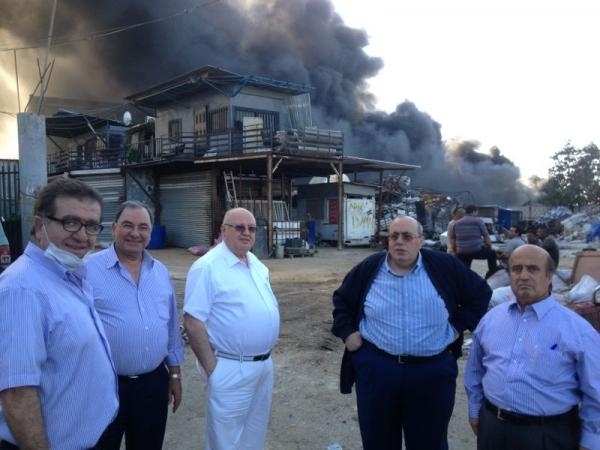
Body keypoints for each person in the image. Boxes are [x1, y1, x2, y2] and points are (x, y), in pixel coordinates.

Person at [331, 215, 491, 450]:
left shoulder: (444, 266)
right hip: (378, 371)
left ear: (420, 240)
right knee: (378, 442)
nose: (399, 242)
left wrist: (457, 327)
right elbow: (342, 300)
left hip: (431, 373)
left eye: (407, 236)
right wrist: (348, 332)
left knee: (429, 442)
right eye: (394, 236)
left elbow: (481, 293)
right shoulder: (369, 268)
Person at [0, 178, 118, 449]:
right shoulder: (22, 290)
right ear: (39, 225)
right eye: (70, 222)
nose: (82, 236)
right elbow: (17, 394)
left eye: (91, 226)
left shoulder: (68, 276)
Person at [464, 244, 600, 450]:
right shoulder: (491, 319)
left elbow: (595, 391)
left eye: (533, 269)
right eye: (517, 269)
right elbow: (475, 369)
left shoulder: (577, 330)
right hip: (493, 428)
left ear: (549, 276)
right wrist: (475, 409)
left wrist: (591, 441)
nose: (524, 276)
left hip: (547, 435)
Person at [86, 200, 184, 450]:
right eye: (127, 225)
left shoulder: (160, 272)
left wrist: (174, 374)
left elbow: (171, 328)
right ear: (114, 227)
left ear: (151, 232)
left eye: (143, 227)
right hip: (103, 386)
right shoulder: (87, 270)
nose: (135, 233)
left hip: (153, 384)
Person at [183, 207, 280, 450]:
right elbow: (193, 322)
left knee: (253, 436)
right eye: (239, 227)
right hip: (230, 367)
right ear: (223, 231)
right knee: (224, 441)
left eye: (251, 228)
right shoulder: (207, 267)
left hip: (263, 366)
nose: (246, 232)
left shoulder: (256, 265)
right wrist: (213, 370)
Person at [451, 204, 500, 278]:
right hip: (476, 251)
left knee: (465, 267)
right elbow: (486, 235)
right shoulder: (478, 221)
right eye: (476, 212)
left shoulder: (457, 223)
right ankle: (491, 274)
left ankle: (464, 278)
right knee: (492, 254)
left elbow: (453, 239)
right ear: (474, 211)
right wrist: (489, 246)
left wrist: (455, 251)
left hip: (461, 253)